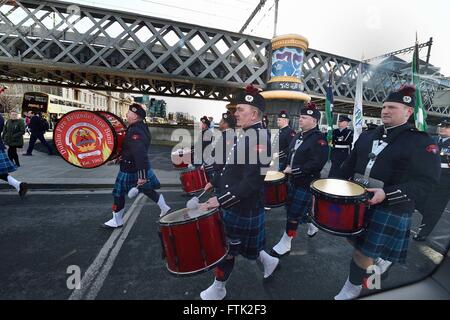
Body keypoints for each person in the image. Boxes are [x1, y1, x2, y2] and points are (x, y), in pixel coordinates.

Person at [334, 85, 441, 300]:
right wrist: (333, 186)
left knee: (364, 253)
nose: (385, 110)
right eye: (383, 107)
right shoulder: (366, 137)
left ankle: (364, 288)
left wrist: (388, 194)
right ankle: (374, 266)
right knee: (356, 245)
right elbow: (349, 165)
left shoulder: (421, 142)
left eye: (392, 107)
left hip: (390, 208)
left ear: (408, 111)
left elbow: (427, 182)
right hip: (358, 203)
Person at [198, 85, 279, 300]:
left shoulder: (261, 139)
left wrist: (220, 200)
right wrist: (213, 182)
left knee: (227, 250)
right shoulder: (244, 134)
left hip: (243, 206)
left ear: (253, 113)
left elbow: (252, 182)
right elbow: (229, 167)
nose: (235, 113)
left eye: (240, 109)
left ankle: (218, 288)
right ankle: (270, 261)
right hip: (233, 203)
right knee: (241, 246)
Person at [270, 102, 329, 257]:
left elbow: (317, 163)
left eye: (304, 117)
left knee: (293, 213)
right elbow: (290, 155)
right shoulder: (297, 135)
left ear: (314, 121)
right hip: (292, 180)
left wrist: (294, 170)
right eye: (301, 117)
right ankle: (312, 224)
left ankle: (286, 241)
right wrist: (284, 169)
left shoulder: (319, 140)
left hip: (305, 182)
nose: (300, 120)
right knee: (297, 208)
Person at [103, 103, 170, 228]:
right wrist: (117, 159)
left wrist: (142, 176)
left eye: (129, 113)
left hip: (130, 169)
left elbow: (140, 154)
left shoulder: (135, 131)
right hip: (136, 166)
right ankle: (164, 207)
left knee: (118, 193)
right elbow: (130, 151)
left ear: (134, 116)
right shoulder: (140, 127)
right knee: (147, 190)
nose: (126, 114)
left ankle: (117, 220)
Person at [413, 117, 450, 241]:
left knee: (434, 209)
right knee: (417, 201)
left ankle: (423, 232)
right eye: (441, 125)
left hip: (444, 183)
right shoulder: (431, 140)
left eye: (446, 126)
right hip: (426, 179)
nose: (442, 128)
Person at [203, 111, 236, 183]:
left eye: (221, 121)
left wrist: (211, 167)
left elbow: (223, 160)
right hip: (220, 174)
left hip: (222, 176)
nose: (219, 123)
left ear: (226, 124)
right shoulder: (226, 135)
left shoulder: (228, 137)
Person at [0, 113, 28, 197]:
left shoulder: (19, 121)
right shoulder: (2, 118)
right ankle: (18, 185)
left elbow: (22, 131)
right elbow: (4, 130)